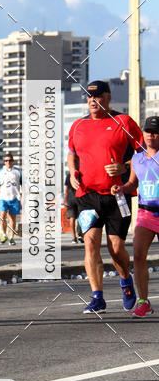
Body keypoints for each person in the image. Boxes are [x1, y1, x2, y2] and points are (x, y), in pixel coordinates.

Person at [67, 80, 143, 314]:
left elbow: (142, 154)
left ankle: (125, 278)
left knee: (116, 248)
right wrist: (72, 172)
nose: (93, 100)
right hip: (87, 195)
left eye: (98, 96)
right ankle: (97, 297)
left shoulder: (123, 122)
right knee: (90, 242)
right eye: (89, 97)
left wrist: (124, 167)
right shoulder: (78, 125)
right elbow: (71, 153)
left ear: (108, 98)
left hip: (116, 195)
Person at [111, 115, 159, 317]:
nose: (151, 136)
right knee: (138, 256)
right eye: (148, 131)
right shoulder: (137, 159)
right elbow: (132, 184)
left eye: (155, 132)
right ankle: (143, 302)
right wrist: (121, 188)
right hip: (145, 213)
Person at [0, 153, 22, 245]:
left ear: (12, 161)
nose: (8, 162)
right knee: (2, 216)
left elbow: (23, 185)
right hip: (3, 198)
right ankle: (4, 234)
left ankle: (11, 237)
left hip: (14, 197)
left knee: (13, 219)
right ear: (4, 162)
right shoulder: (0, 171)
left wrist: (23, 198)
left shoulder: (18, 171)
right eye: (6, 161)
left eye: (9, 160)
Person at [64, 170, 84, 244]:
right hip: (79, 198)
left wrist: (65, 200)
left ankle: (74, 238)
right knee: (80, 217)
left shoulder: (69, 175)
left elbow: (66, 189)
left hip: (71, 199)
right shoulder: (81, 174)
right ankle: (79, 235)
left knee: (73, 218)